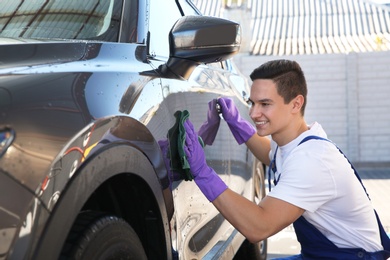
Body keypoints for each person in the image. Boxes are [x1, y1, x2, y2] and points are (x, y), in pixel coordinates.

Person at [182, 59, 390, 259]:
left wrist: (203, 173)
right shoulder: (296, 142)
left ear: (295, 104)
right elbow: (269, 155)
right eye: (252, 103)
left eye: (265, 104)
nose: (254, 113)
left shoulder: (311, 161)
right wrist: (238, 125)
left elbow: (259, 226)